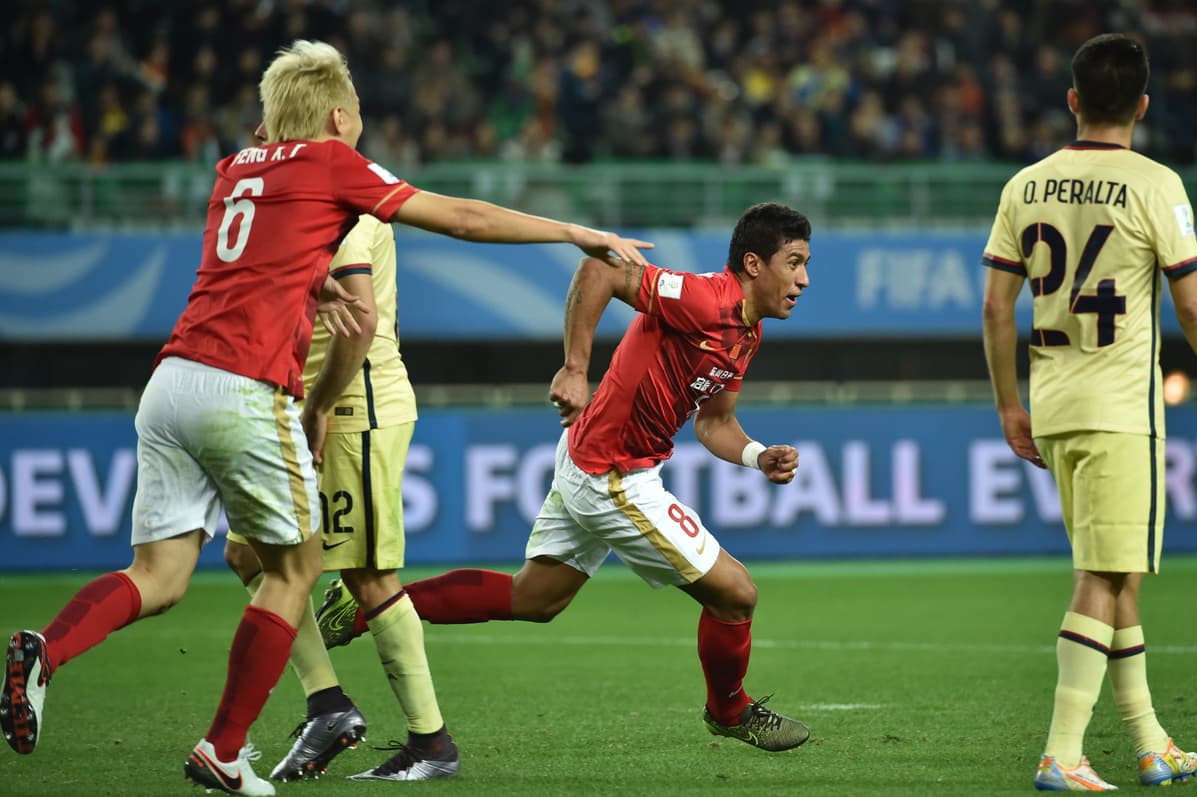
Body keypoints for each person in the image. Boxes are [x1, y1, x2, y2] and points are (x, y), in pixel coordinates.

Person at [0, 39, 651, 797]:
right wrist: (575, 232)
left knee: (159, 575)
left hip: (170, 383)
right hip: (245, 390)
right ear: (340, 117)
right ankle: (226, 747)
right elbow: (464, 218)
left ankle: (47, 648)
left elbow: (255, 262)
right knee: (297, 569)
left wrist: (313, 283)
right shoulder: (333, 163)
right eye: (358, 110)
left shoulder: (232, 172)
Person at [317, 202, 814, 753]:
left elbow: (714, 422)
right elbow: (600, 268)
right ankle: (729, 711)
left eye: (805, 265)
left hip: (593, 457)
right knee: (736, 594)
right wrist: (576, 368)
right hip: (612, 474)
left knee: (535, 598)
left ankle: (365, 607)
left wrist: (756, 456)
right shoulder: (703, 299)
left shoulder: (746, 334)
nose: (803, 280)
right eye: (793, 263)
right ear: (753, 264)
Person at [980, 33, 1197, 792]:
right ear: (1142, 105)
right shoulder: (1156, 184)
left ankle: (1149, 742)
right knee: (1103, 576)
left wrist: (1008, 403)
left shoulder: (1025, 186)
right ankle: (1061, 752)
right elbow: (1191, 306)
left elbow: (996, 308)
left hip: (1054, 407)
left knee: (1116, 576)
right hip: (1120, 411)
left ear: (1072, 100)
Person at [223, 212, 456, 782]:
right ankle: (327, 705)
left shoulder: (343, 209)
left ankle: (431, 744)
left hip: (350, 409)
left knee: (368, 575)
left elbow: (356, 320)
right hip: (298, 405)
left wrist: (320, 406)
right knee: (249, 553)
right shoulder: (297, 199)